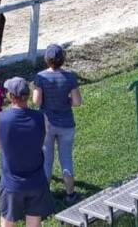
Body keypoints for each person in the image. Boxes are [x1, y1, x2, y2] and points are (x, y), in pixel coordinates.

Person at [0, 77, 56, 227]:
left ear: (11, 96)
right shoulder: (41, 118)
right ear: (27, 95)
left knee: (7, 222)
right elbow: (42, 139)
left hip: (11, 183)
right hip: (37, 182)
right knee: (34, 224)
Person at [32, 44, 82, 203]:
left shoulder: (40, 77)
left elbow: (36, 101)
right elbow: (77, 102)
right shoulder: (70, 77)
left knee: (47, 161)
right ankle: (70, 195)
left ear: (47, 60)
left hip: (46, 124)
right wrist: (65, 100)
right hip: (66, 124)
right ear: (63, 59)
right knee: (66, 159)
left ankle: (45, 198)